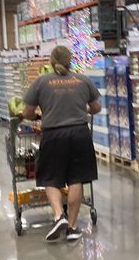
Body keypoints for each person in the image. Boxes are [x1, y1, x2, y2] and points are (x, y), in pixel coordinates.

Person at [21, 46, 102, 242]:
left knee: (51, 178)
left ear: (51, 62)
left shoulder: (41, 82)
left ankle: (58, 215)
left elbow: (27, 112)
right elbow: (96, 107)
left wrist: (37, 115)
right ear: (70, 61)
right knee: (76, 179)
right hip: (80, 134)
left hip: (54, 135)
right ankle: (72, 228)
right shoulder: (83, 80)